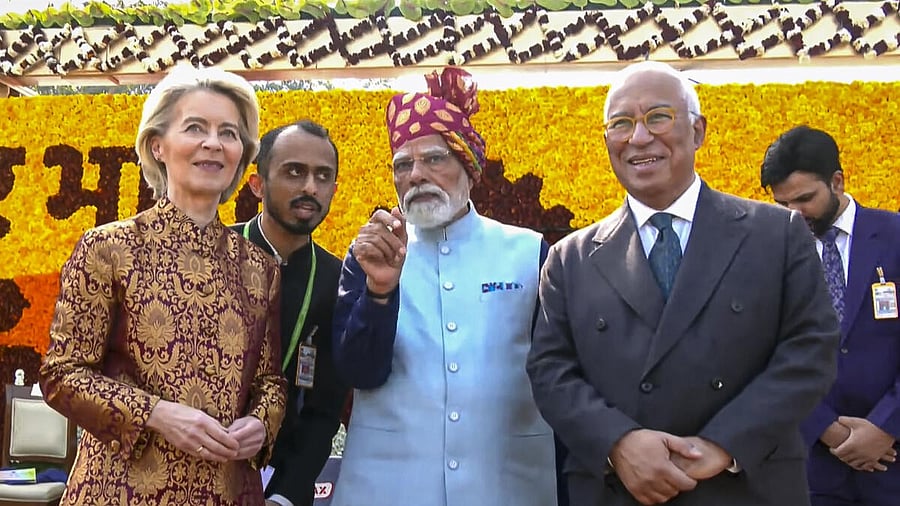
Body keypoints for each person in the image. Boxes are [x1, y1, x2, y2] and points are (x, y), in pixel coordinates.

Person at [526, 61, 840, 506]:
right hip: (620, 491)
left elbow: (811, 350)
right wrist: (619, 444)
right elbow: (550, 372)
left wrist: (721, 445)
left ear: (697, 131)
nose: (639, 138)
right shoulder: (570, 258)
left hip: (746, 485)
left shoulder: (777, 234)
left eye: (658, 117)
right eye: (621, 123)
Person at [39, 65, 286, 505]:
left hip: (226, 492)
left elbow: (270, 381)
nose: (214, 142)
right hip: (121, 490)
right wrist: (156, 414)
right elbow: (62, 375)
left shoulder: (259, 268)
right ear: (158, 145)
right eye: (196, 127)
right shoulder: (109, 248)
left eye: (229, 133)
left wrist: (261, 423)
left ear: (240, 155)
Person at [330, 67, 558, 506]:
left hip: (507, 486)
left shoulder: (528, 253)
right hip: (387, 490)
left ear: (469, 169)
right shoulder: (369, 254)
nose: (416, 175)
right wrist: (379, 294)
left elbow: (561, 374)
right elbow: (359, 373)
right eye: (403, 164)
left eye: (434, 158)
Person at [760, 125, 900, 506]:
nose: (793, 214)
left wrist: (886, 427)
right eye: (782, 204)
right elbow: (765, 354)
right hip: (812, 469)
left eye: (804, 199)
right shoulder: (768, 255)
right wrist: (825, 429)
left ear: (837, 181)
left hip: (893, 461)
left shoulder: (894, 236)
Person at [231, 119, 347, 506]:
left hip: (281, 487)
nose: (310, 188)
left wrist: (284, 496)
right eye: (294, 172)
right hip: (193, 475)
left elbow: (324, 411)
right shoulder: (209, 256)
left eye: (323, 176)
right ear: (257, 184)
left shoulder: (337, 279)